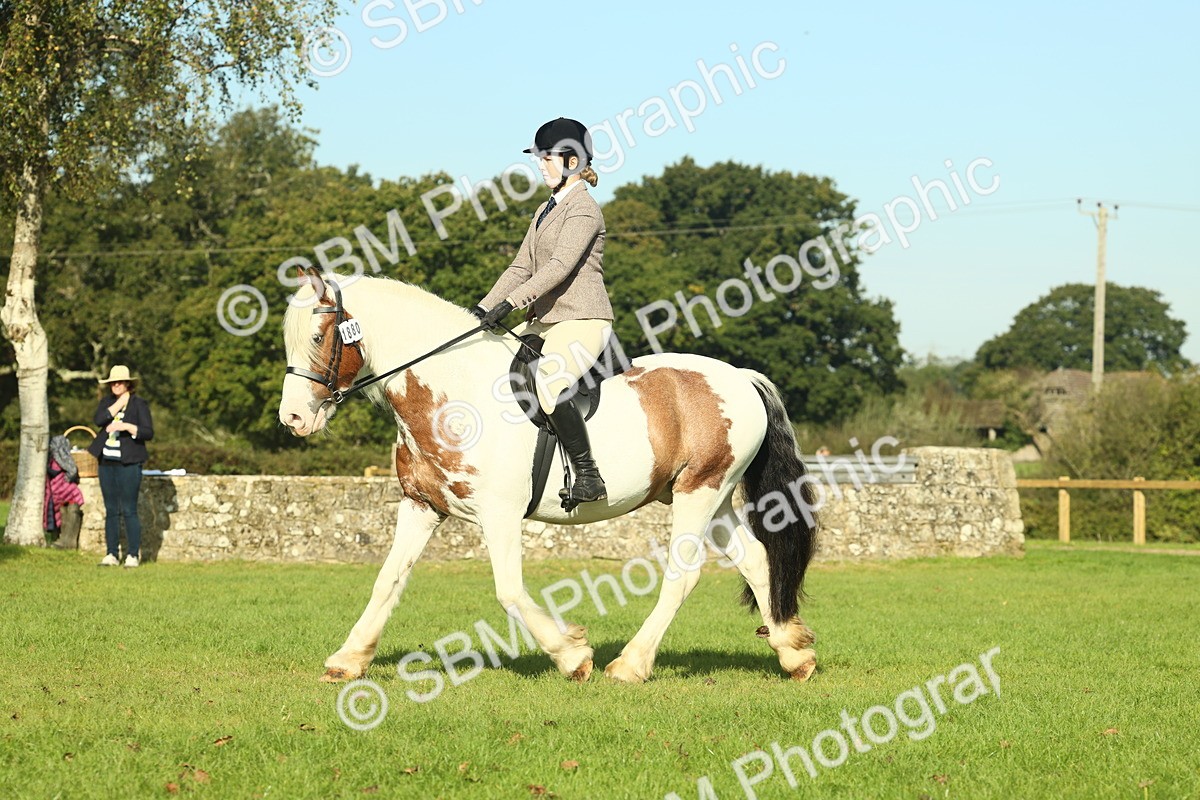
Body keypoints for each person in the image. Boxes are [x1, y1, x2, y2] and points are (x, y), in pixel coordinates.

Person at [474, 117, 613, 503]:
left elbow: (558, 268)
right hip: (547, 321)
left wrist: (511, 303)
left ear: (572, 161)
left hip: (582, 318)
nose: (539, 164)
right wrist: (483, 308)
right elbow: (520, 267)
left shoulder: (584, 210)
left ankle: (588, 475)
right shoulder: (545, 209)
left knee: (550, 383)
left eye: (546, 157)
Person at [87, 365, 153, 567]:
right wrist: (117, 406)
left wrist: (125, 426)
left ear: (128, 384)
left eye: (120, 382)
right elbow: (99, 420)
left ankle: (133, 554)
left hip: (129, 464)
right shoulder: (107, 403)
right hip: (106, 463)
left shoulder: (139, 404)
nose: (116, 385)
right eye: (113, 382)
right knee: (111, 510)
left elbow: (148, 432)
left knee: (129, 509)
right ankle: (111, 553)